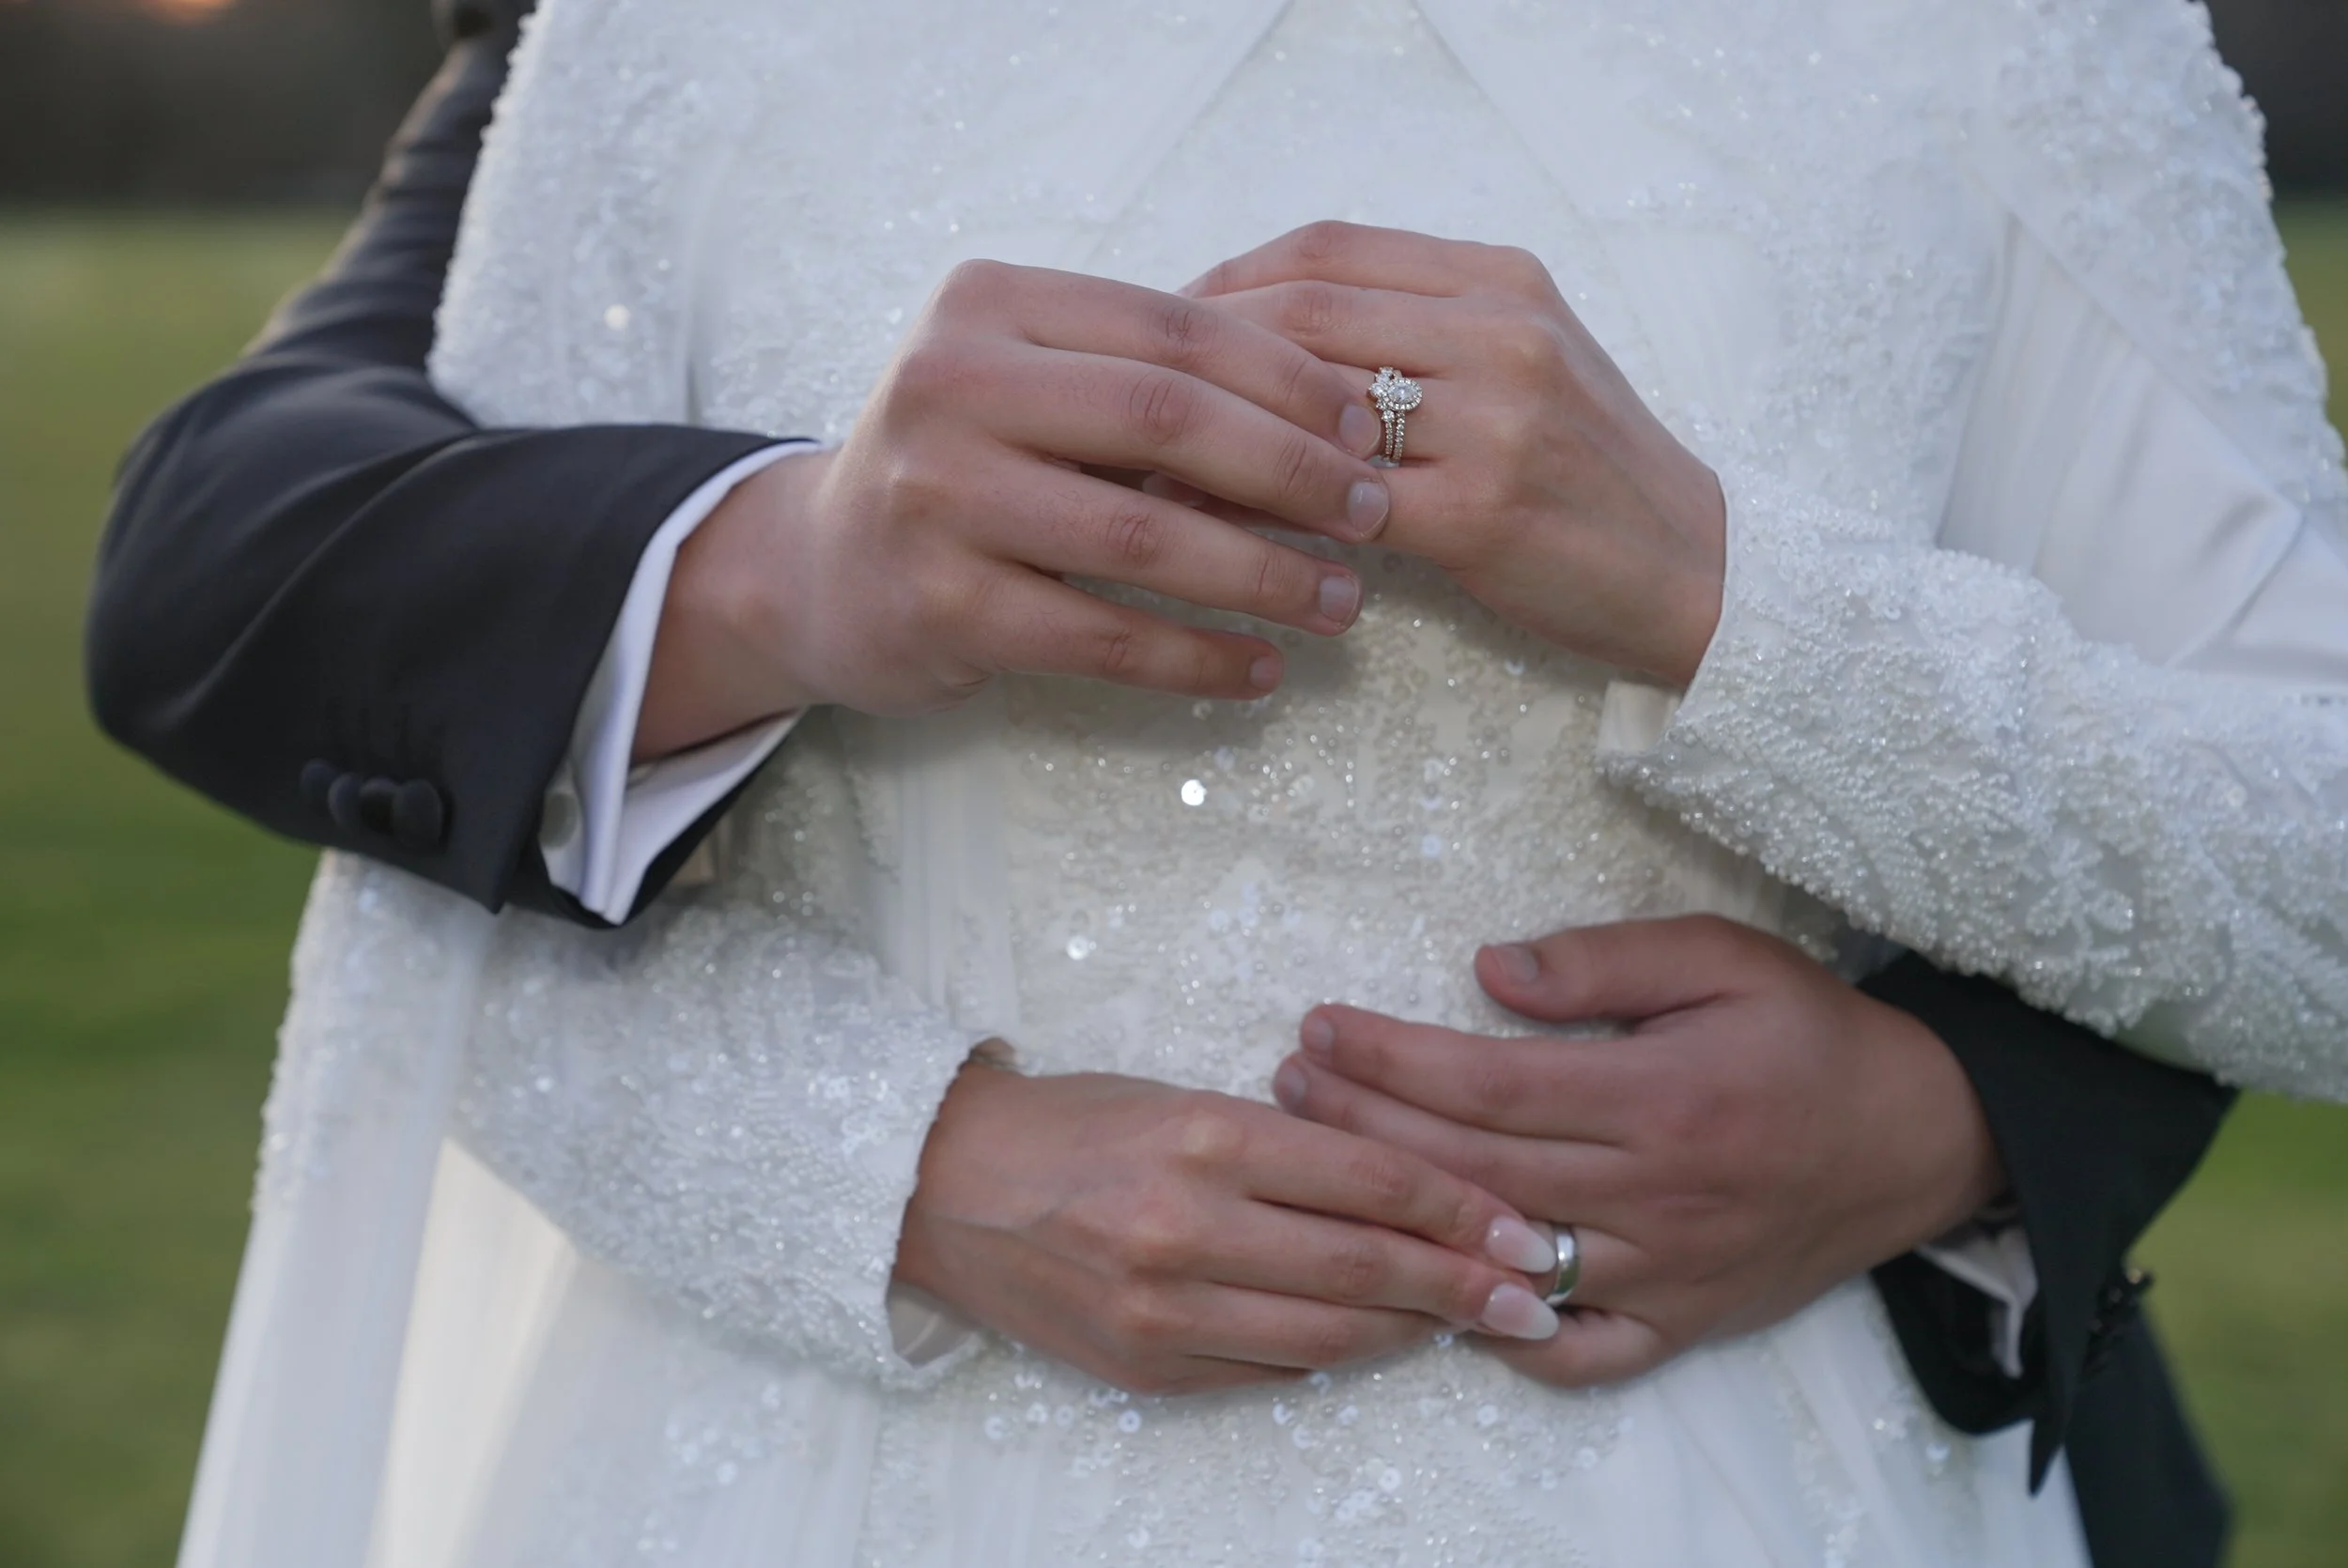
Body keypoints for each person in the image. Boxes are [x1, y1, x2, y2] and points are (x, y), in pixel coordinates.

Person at [85, 0, 2344, 1564]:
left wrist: (1728, 599)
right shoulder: (669, 40)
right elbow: (429, 832)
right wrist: (889, 1165)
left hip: (1736, 1466)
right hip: (810, 1463)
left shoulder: (2010, 42)